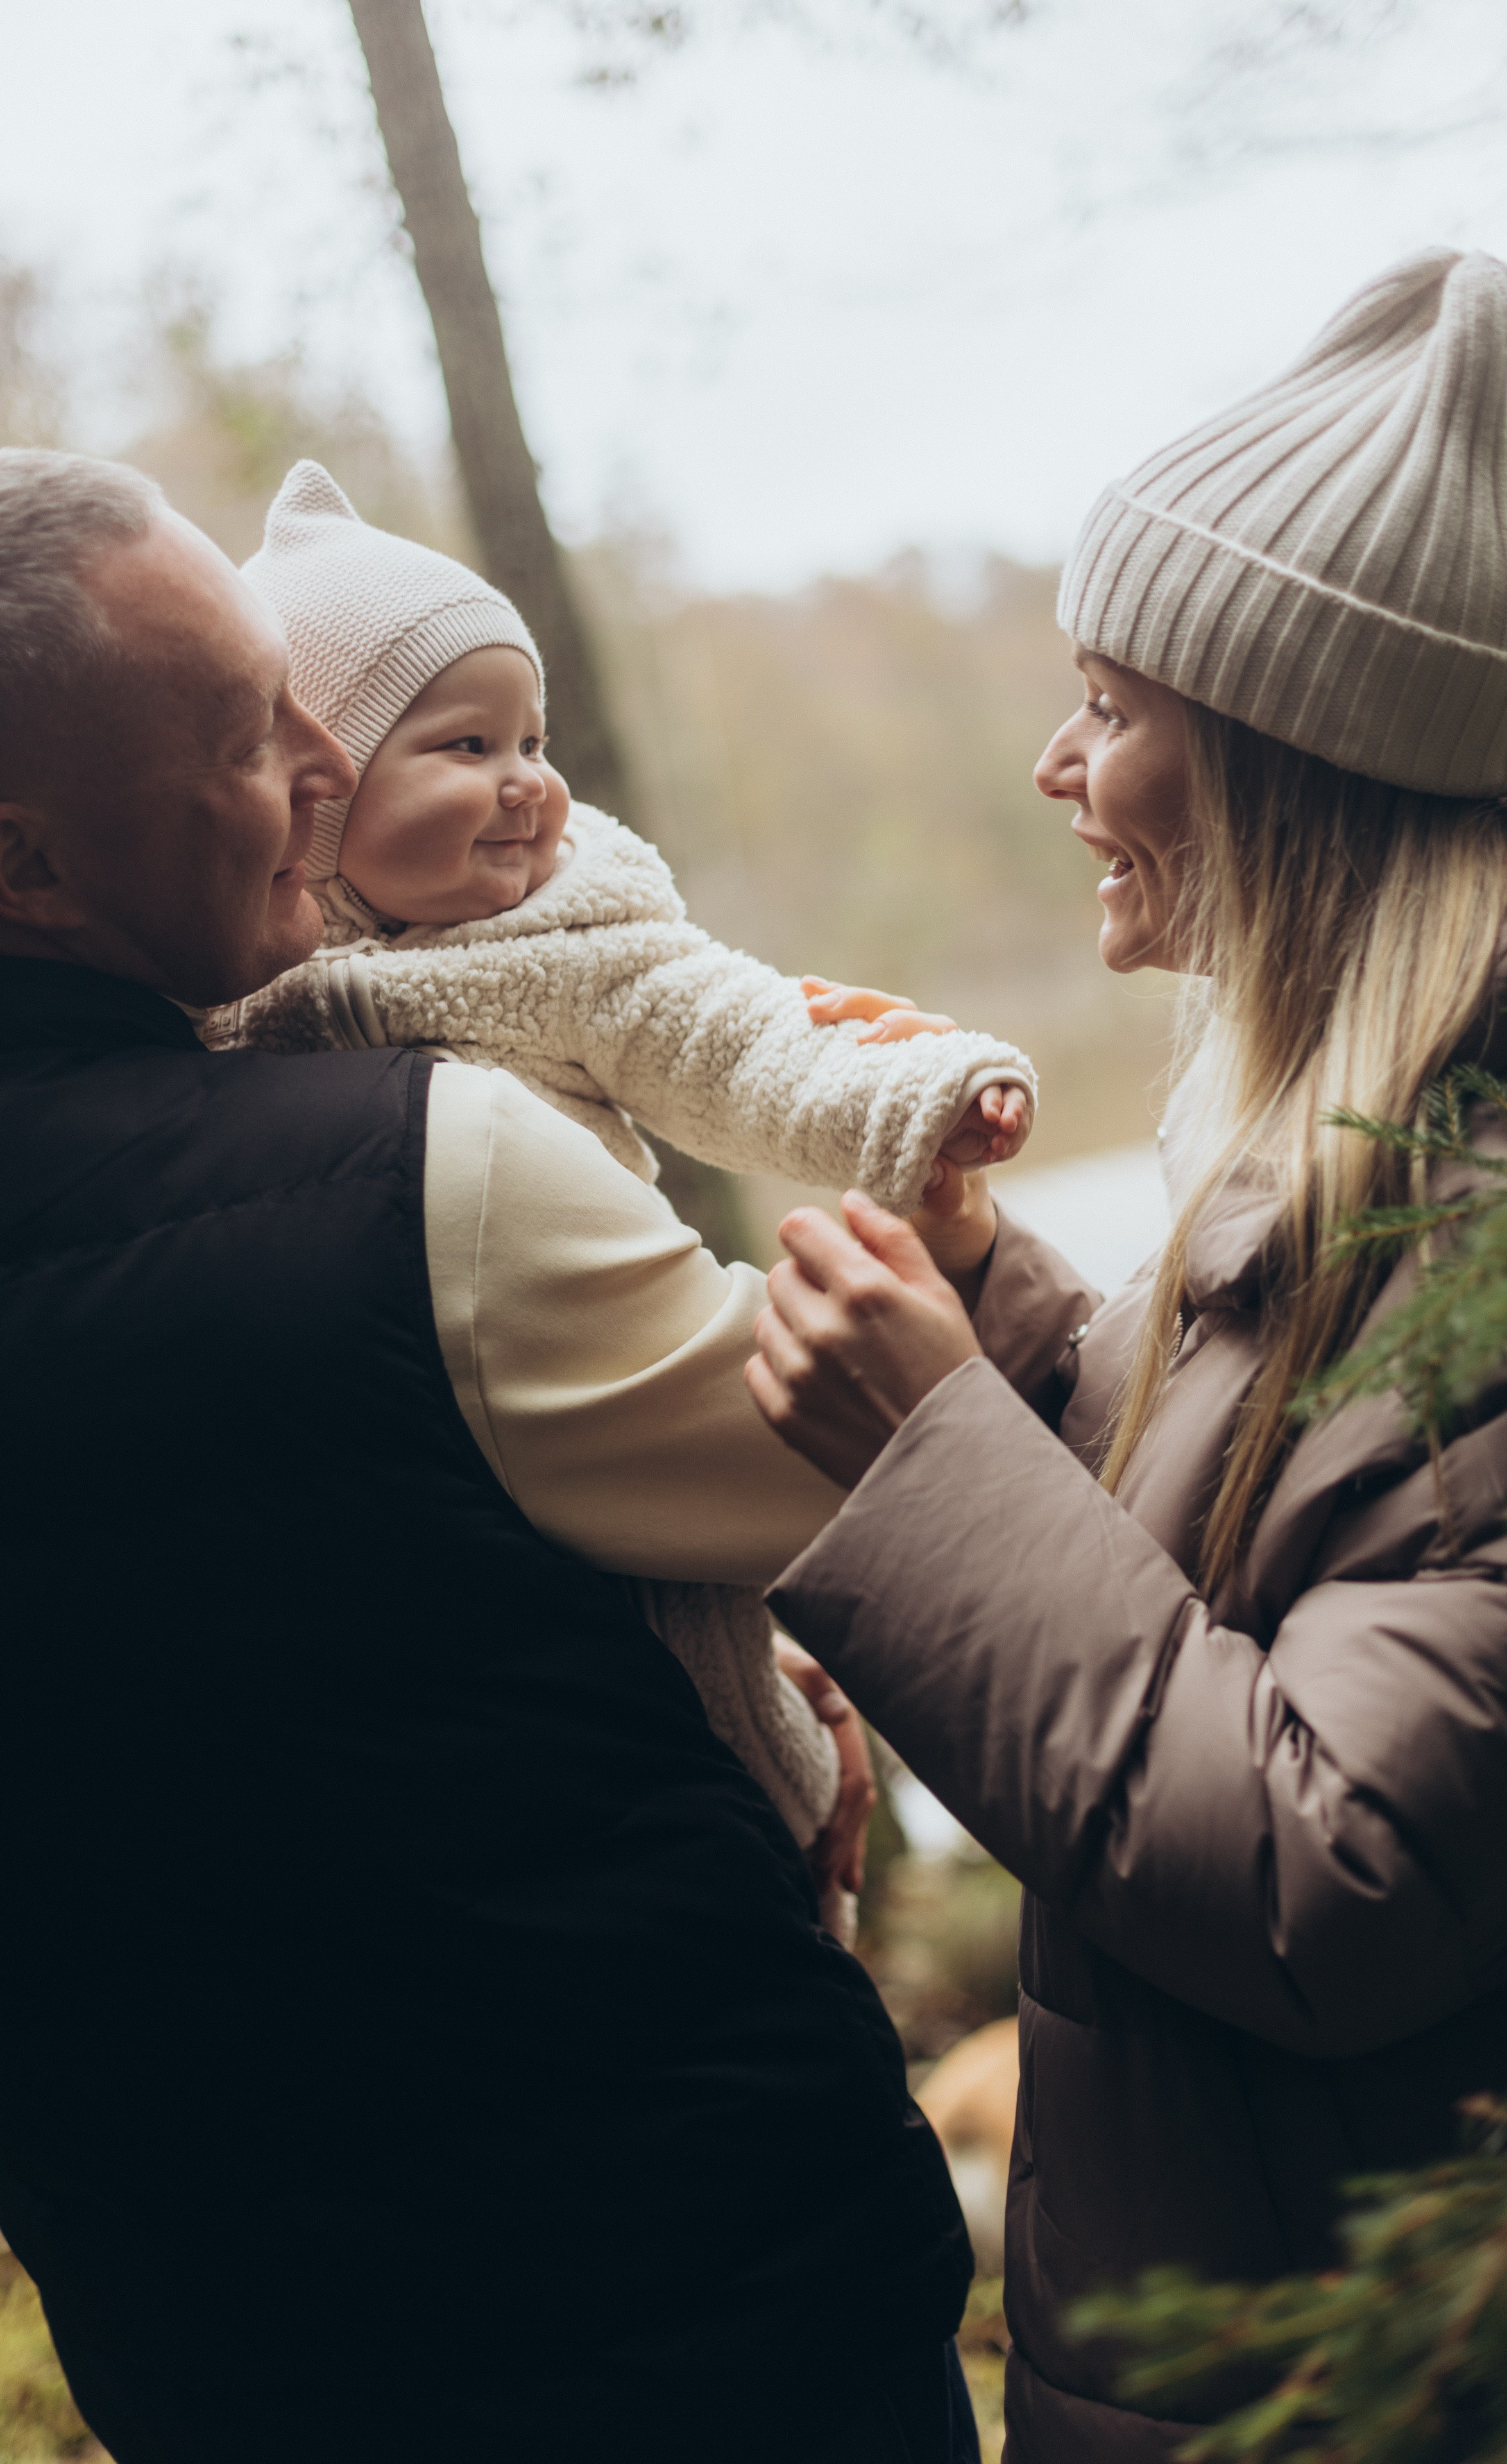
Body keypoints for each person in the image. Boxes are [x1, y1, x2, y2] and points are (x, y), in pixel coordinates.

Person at [747, 248, 1507, 2463]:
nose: (1057, 764)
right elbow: (1263, 1558)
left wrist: (933, 1448)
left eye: (1114, 705)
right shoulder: (1398, 1112)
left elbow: (1338, 1875)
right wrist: (998, 1307)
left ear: (1283, 764)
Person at [0, 447, 980, 2463]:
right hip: (695, 2324)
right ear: (27, 862)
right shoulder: (416, 1168)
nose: (321, 767)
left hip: (210, 2352)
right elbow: (891, 1478)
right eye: (234, 729)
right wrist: (951, 1257)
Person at [222, 456, 1034, 1912]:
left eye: (532, 737)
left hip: (615, 1456)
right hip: (438, 1566)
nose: (527, 780)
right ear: (313, 797)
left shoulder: (582, 945)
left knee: (722, 1709)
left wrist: (916, 1100)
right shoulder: (240, 1005)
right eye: (463, 747)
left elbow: (740, 1040)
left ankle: (794, 1836)